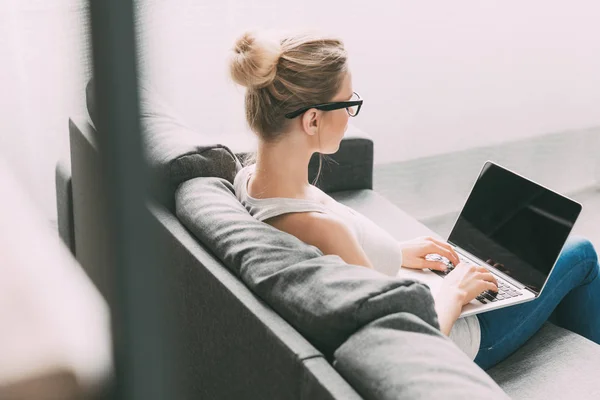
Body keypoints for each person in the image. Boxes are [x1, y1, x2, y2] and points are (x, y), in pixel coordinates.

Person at [229, 30, 600, 369]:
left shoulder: (252, 181)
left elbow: (349, 265)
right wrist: (455, 293)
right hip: (457, 338)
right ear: (312, 121)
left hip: (420, 293)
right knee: (581, 253)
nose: (349, 115)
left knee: (516, 268)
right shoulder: (322, 229)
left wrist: (397, 251)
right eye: (347, 104)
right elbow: (403, 344)